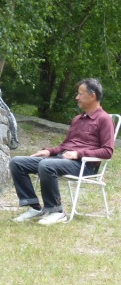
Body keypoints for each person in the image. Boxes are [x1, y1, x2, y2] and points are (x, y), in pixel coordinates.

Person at [10, 78, 115, 225]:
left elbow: (107, 151)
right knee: (17, 162)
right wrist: (49, 151)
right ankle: (34, 207)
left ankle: (56, 211)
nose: (77, 97)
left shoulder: (104, 119)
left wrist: (79, 154)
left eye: (80, 94)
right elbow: (65, 145)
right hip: (61, 159)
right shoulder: (78, 119)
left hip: (84, 165)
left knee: (46, 165)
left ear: (92, 96)